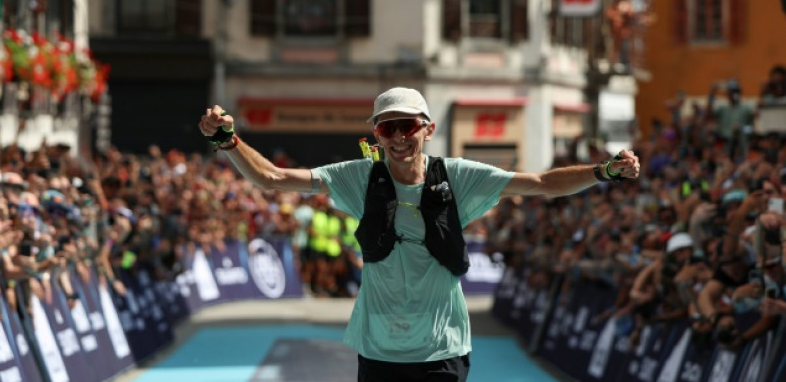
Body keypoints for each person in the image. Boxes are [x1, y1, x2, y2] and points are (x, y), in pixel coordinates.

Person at [198, 87, 641, 381]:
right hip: (378, 352)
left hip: (441, 352)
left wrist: (603, 172)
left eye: (407, 126)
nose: (397, 137)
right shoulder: (358, 177)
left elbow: (543, 185)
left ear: (427, 129)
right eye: (386, 128)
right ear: (376, 134)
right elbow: (273, 178)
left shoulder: (460, 177)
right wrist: (228, 141)